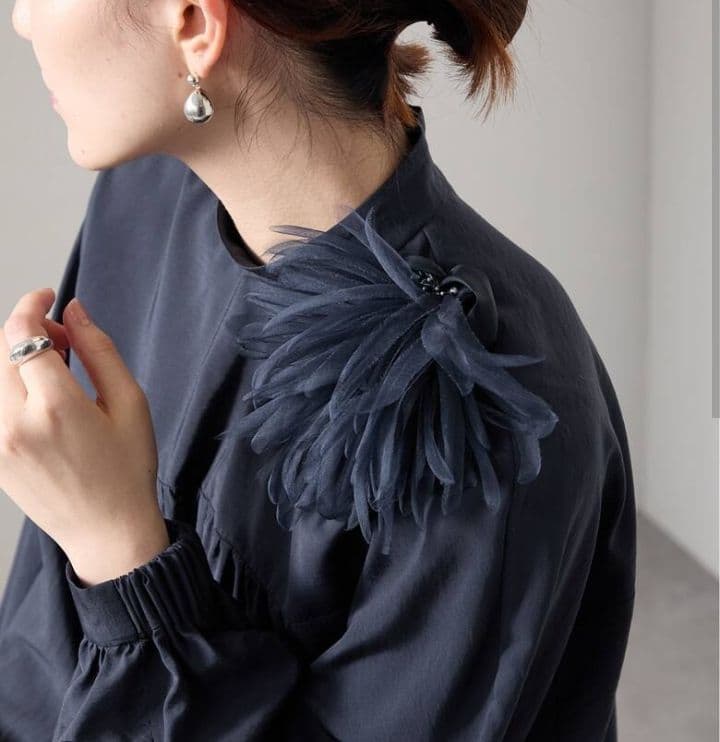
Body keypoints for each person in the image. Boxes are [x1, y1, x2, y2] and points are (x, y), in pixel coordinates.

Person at [0, 0, 636, 740]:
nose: (22, 22)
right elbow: (33, 673)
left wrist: (118, 553)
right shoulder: (145, 197)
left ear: (195, 23)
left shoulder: (476, 396)